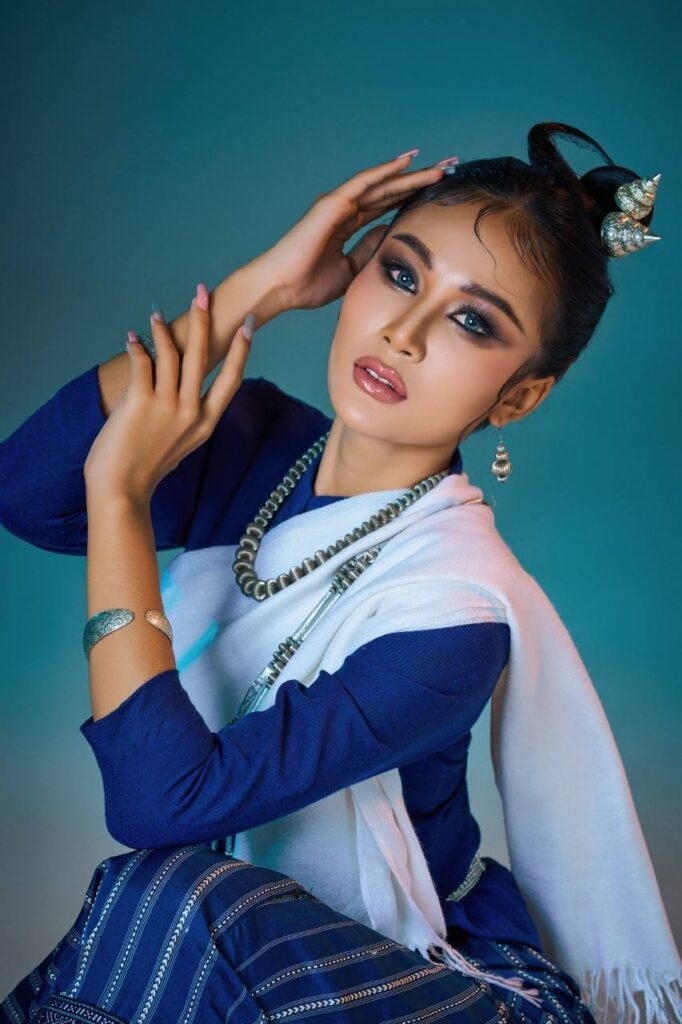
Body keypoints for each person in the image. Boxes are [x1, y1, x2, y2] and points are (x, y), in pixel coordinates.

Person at [0, 121, 679, 1024]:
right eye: (399, 273)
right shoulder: (256, 443)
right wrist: (256, 293)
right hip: (243, 937)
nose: (403, 333)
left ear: (517, 397)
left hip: (407, 970)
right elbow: (27, 494)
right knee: (169, 906)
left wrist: (120, 494)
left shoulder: (455, 615)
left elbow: (161, 802)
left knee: (166, 897)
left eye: (472, 322)